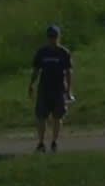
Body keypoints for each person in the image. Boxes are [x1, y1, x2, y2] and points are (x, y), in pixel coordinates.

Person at [28, 24, 73, 152]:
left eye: (54, 36)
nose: (52, 39)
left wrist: (69, 89)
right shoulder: (42, 52)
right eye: (50, 36)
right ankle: (41, 143)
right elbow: (36, 70)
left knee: (57, 117)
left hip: (59, 88)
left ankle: (54, 141)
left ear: (58, 37)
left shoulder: (64, 53)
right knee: (41, 116)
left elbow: (69, 72)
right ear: (47, 37)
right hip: (44, 88)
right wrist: (31, 84)